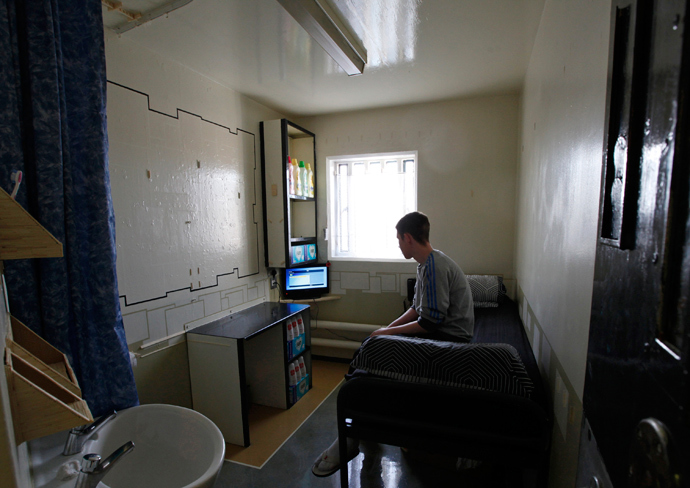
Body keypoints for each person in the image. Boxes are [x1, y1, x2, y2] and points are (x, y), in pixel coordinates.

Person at [311, 211, 474, 477]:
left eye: (399, 239)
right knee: (373, 344)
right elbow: (417, 309)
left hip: (450, 341)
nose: (398, 244)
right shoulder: (427, 263)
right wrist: (387, 329)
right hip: (440, 332)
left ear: (408, 238)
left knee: (372, 354)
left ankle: (351, 435)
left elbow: (430, 323)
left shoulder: (434, 266)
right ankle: (358, 426)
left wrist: (387, 336)